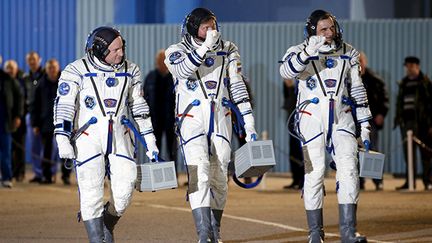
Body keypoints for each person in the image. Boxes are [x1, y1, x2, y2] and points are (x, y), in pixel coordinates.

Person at [53, 26, 159, 242]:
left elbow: (139, 106)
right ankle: (97, 238)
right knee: (91, 192)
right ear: (100, 50)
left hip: (120, 137)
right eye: (115, 50)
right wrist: (62, 137)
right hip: (89, 138)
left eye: (122, 48)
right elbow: (64, 105)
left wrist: (150, 140)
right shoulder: (75, 70)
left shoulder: (131, 70)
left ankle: (106, 224)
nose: (121, 53)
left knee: (125, 191)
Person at [165, 8, 257, 242]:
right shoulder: (176, 51)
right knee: (200, 175)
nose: (211, 31)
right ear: (194, 29)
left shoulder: (228, 49)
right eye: (206, 27)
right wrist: (205, 47)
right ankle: (204, 235)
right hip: (191, 120)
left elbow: (237, 85)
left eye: (213, 26)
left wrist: (249, 122)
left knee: (219, 180)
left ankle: (215, 231)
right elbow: (183, 70)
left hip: (220, 119)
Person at [279, 10, 370, 242]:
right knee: (315, 172)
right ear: (313, 32)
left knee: (349, 170)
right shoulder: (298, 51)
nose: (329, 33)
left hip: (342, 117)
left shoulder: (349, 52)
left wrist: (365, 125)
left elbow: (358, 89)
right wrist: (309, 51)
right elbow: (286, 71)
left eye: (331, 28)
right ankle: (315, 233)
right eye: (323, 30)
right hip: (312, 119)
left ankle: (348, 232)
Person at [394, 56, 432, 191]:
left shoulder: (425, 82)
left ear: (417, 67)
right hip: (407, 123)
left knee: (425, 155)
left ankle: (428, 181)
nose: (408, 69)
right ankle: (410, 182)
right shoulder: (404, 83)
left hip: (423, 124)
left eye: (410, 66)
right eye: (407, 66)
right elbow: (400, 103)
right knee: (408, 155)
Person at [32, 59, 71, 184]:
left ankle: (66, 175)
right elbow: (35, 106)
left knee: (66, 149)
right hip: (46, 123)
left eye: (54, 67)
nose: (52, 70)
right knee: (47, 151)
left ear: (58, 67)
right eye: (49, 68)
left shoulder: (66, 82)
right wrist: (35, 124)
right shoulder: (41, 84)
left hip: (64, 121)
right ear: (46, 69)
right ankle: (47, 176)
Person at [359, 52, 388, 191]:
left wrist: (382, 114)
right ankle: (359, 182)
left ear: (365, 62)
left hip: (371, 119)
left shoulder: (375, 79)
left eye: (360, 60)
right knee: (355, 151)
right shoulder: (349, 79)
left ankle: (378, 182)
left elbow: (384, 98)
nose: (359, 63)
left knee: (372, 150)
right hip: (354, 121)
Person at [143, 50, 177, 166]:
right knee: (154, 150)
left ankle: (174, 177)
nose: (161, 63)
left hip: (170, 120)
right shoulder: (150, 77)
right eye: (159, 60)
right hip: (154, 121)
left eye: (164, 60)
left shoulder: (174, 78)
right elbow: (143, 99)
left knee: (172, 151)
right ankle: (155, 177)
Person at [0, 64, 24, 188]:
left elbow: (20, 97)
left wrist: (18, 116)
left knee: (6, 152)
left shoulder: (8, 79)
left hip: (4, 122)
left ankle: (6, 177)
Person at [4, 60, 27, 182]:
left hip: (18, 120)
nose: (9, 70)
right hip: (5, 120)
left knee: (19, 148)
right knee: (8, 149)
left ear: (16, 69)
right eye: (7, 68)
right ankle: (10, 173)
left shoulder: (22, 81)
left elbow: (21, 100)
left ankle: (20, 173)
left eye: (11, 68)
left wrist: (18, 116)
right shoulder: (4, 79)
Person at [24, 51, 45, 183]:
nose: (32, 62)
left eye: (34, 59)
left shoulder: (45, 75)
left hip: (46, 115)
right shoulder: (25, 77)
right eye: (30, 60)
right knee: (34, 146)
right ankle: (38, 173)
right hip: (31, 115)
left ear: (39, 60)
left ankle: (49, 173)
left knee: (50, 146)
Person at [282, 78, 304, 190]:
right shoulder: (286, 84)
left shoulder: (302, 81)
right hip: (292, 122)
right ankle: (295, 179)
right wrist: (289, 87)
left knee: (302, 152)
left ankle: (303, 180)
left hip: (303, 122)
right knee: (293, 152)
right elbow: (288, 100)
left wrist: (291, 87)